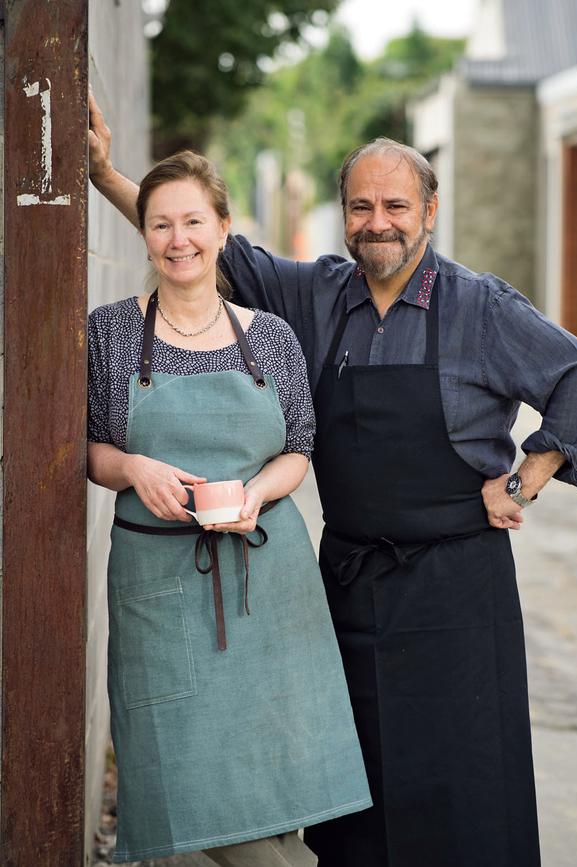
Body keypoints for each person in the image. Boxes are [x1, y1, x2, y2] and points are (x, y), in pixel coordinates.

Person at [89, 96, 577, 867]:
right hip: (347, 583)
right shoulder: (316, 294)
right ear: (343, 214)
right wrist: (101, 173)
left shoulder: (479, 306)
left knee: (464, 786)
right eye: (361, 205)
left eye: (396, 205)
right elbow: (192, 234)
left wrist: (528, 475)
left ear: (430, 211)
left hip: (456, 590)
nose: (378, 221)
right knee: (351, 789)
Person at [87, 149, 372, 865]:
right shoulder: (112, 332)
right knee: (176, 772)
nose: (177, 240)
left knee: (278, 779)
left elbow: (299, 449)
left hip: (269, 589)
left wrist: (254, 491)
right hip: (159, 587)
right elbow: (87, 449)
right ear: (144, 234)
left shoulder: (269, 336)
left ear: (221, 227)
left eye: (192, 221)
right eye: (160, 224)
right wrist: (132, 466)